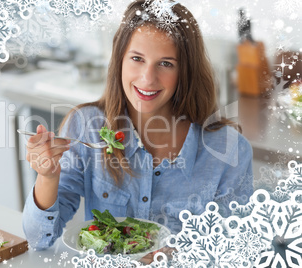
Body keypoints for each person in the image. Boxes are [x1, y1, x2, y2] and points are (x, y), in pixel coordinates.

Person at [22, 0, 253, 252]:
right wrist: (47, 177)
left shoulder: (230, 150)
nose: (147, 78)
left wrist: (178, 256)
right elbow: (38, 239)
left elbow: (235, 250)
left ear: (185, 71)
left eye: (166, 63)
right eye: (137, 58)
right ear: (119, 60)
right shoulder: (86, 126)